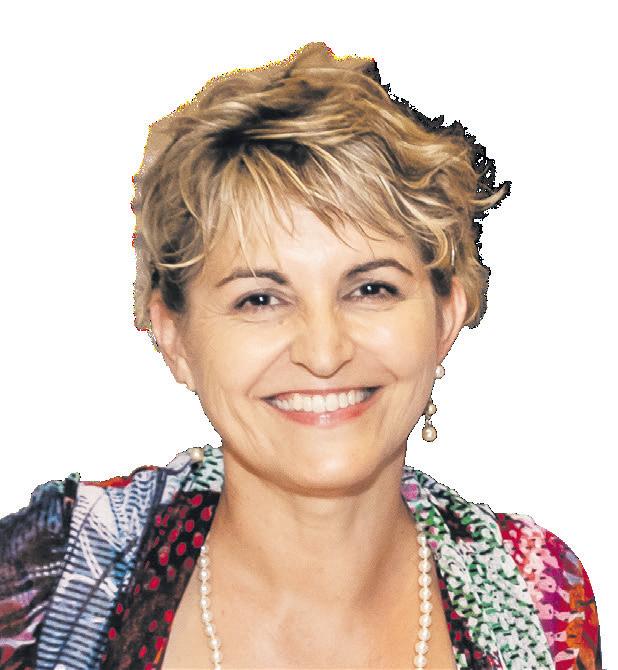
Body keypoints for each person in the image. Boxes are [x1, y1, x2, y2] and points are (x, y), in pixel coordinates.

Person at [0, 41, 602, 670]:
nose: (323, 352)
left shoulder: (536, 594)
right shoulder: (50, 575)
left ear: (446, 315)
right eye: (260, 299)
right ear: (173, 335)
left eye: (371, 289)